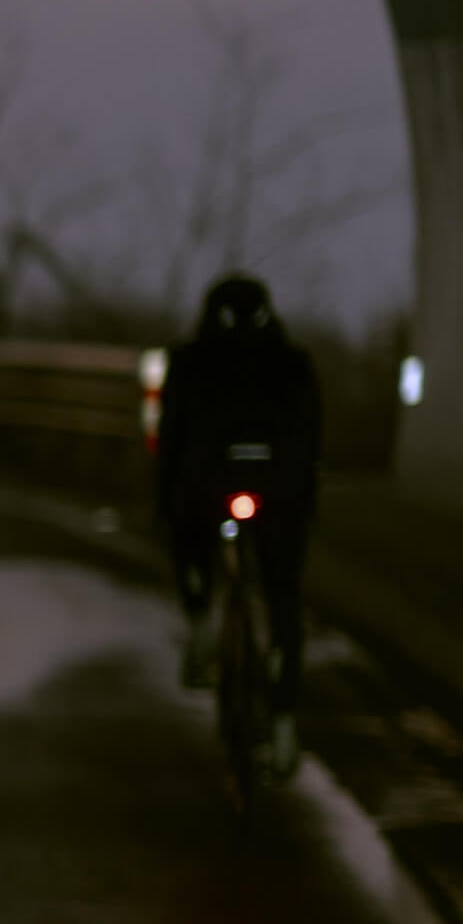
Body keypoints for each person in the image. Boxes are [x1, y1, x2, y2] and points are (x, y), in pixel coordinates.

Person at [156, 273, 322, 774]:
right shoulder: (293, 364)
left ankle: (200, 616)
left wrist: (163, 500)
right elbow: (312, 443)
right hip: (278, 490)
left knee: (188, 539)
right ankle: (286, 722)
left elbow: (170, 442)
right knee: (283, 596)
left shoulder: (187, 362)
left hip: (206, 486)